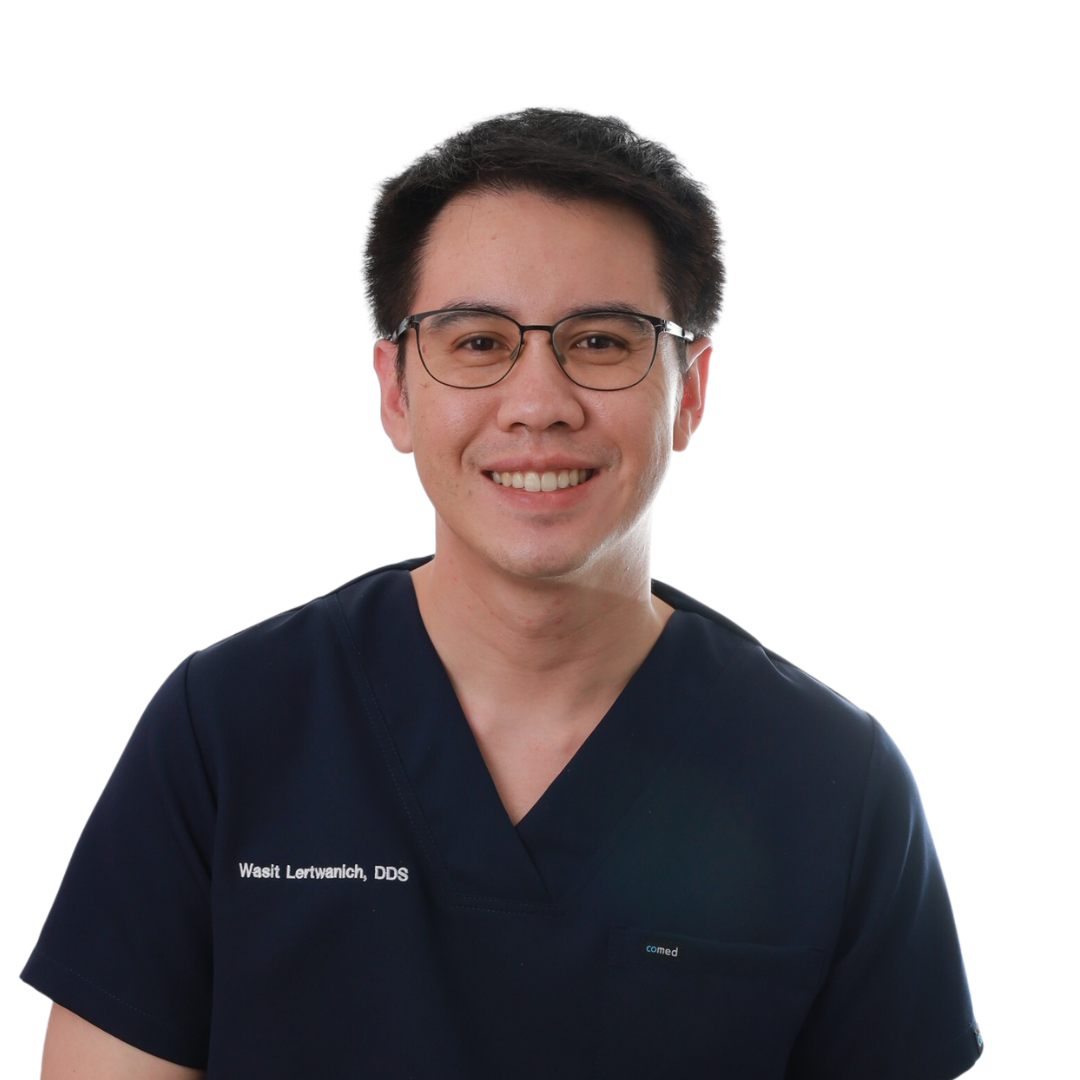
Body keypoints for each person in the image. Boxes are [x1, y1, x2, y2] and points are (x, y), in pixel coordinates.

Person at [23, 108, 983, 1079]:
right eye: (479, 343)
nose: (538, 402)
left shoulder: (832, 784)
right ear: (396, 392)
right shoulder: (229, 729)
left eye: (602, 342)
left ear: (689, 391)